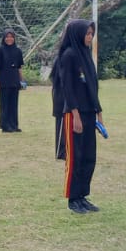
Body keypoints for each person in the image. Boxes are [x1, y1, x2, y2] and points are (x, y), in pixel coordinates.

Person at [53, 20, 101, 213]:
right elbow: (68, 88)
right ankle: (72, 199)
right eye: (87, 34)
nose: (90, 37)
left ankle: (82, 195)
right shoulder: (69, 55)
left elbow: (92, 86)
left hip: (89, 112)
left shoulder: (86, 54)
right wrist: (75, 114)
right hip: (75, 113)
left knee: (89, 156)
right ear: (78, 34)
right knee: (76, 156)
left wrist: (98, 112)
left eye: (91, 34)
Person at [0, 30, 24, 133]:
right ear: (4, 38)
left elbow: (19, 67)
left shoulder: (18, 51)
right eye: (7, 37)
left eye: (11, 37)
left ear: (14, 38)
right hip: (4, 81)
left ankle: (14, 125)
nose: (9, 39)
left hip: (14, 81)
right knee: (4, 104)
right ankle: (5, 126)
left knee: (14, 104)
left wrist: (22, 80)